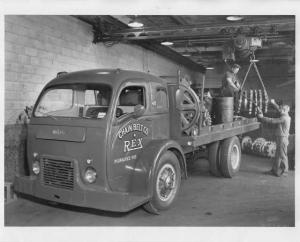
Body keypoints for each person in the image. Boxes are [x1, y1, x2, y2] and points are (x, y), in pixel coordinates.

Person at [257, 99, 291, 177]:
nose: (280, 110)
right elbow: (279, 109)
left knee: (282, 155)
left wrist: (262, 117)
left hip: (282, 139)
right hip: (281, 137)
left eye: (282, 109)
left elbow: (272, 121)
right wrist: (273, 103)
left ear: (285, 110)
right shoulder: (285, 115)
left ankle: (285, 171)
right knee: (278, 155)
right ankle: (275, 170)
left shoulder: (284, 118)